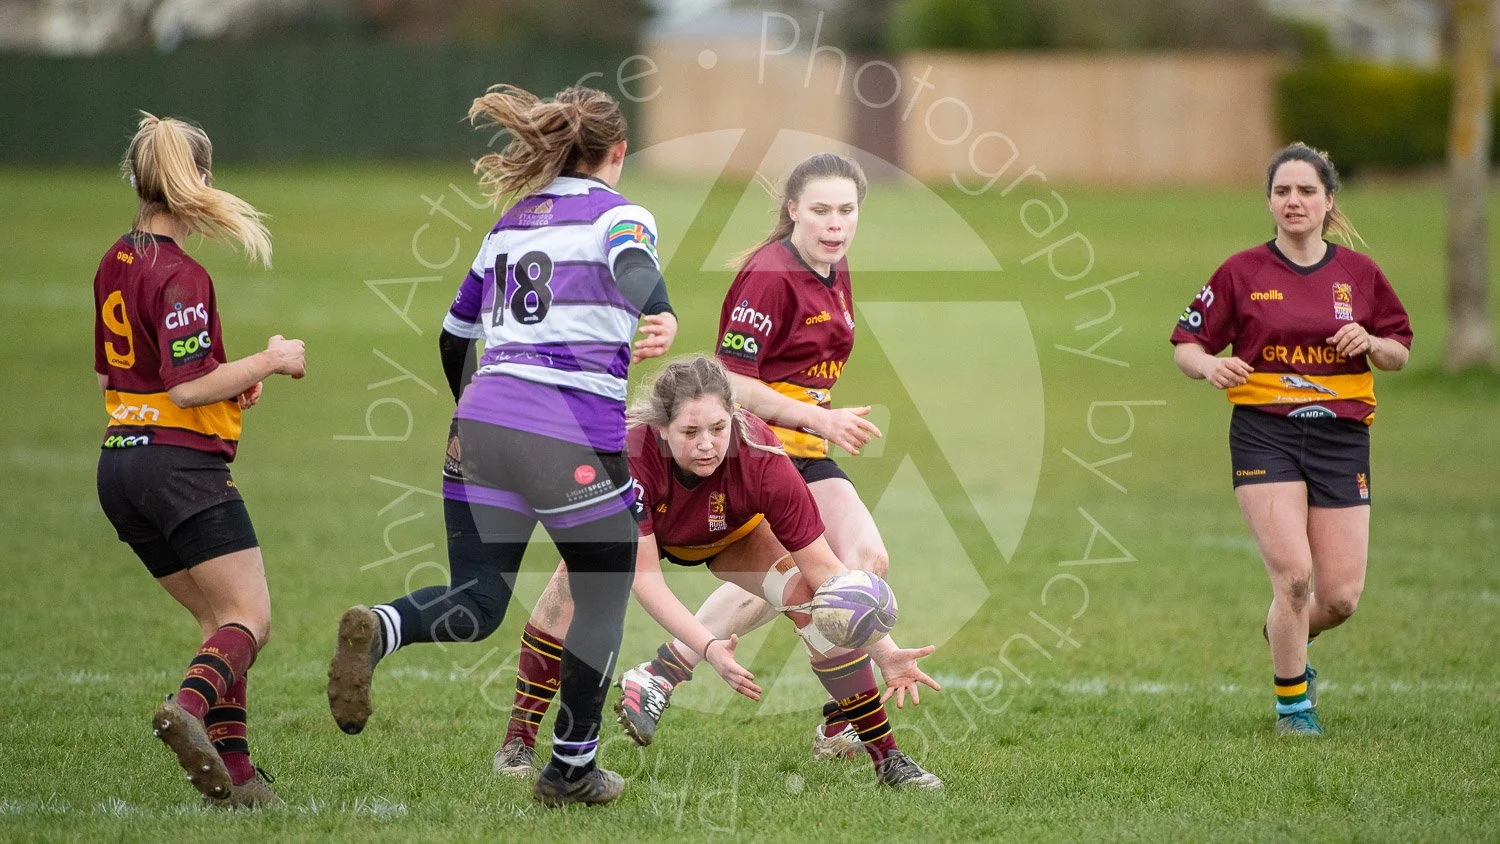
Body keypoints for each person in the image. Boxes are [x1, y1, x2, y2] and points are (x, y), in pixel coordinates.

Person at [324, 84, 677, 807]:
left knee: (478, 600)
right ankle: (571, 769)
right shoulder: (621, 212)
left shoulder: (511, 224)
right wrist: (661, 308)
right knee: (604, 587)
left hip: (480, 425)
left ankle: (384, 628)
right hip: (568, 427)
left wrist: (476, 422)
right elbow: (631, 261)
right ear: (618, 153)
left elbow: (456, 336)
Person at [491, 355, 944, 789]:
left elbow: (826, 572)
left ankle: (888, 759)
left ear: (735, 417)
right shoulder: (627, 458)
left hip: (731, 536)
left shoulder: (764, 456)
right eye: (690, 431)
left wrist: (884, 650)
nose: (707, 443)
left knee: (808, 595)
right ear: (663, 430)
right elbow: (646, 579)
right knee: (569, 590)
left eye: (718, 428)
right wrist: (707, 647)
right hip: (637, 530)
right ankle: (518, 741)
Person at [614, 152, 887, 757]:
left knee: (866, 561)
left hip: (805, 444)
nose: (835, 223)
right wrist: (821, 416)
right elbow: (731, 382)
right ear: (792, 211)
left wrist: (818, 421)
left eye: (846, 210)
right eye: (819, 210)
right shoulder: (770, 274)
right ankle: (667, 674)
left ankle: (832, 717)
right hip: (756, 452)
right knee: (800, 583)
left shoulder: (831, 266)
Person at [95, 113, 307, 807]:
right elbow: (186, 385)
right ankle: (187, 706)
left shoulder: (115, 260)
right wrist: (270, 361)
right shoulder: (180, 273)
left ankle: (237, 781)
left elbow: (121, 379)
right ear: (200, 182)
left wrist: (231, 385)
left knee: (220, 624)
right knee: (251, 618)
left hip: (120, 468)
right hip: (178, 471)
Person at [1170, 142, 1411, 737]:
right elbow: (1186, 344)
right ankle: (1294, 707)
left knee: (1340, 598)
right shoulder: (1240, 272)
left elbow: (1399, 352)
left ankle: (1288, 632)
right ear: (1270, 202)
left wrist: (1372, 344)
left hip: (1341, 440)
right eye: (1282, 191)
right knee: (1294, 578)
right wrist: (1208, 367)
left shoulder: (1360, 275)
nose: (1294, 201)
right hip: (1265, 436)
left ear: (1329, 201)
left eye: (1307, 191)